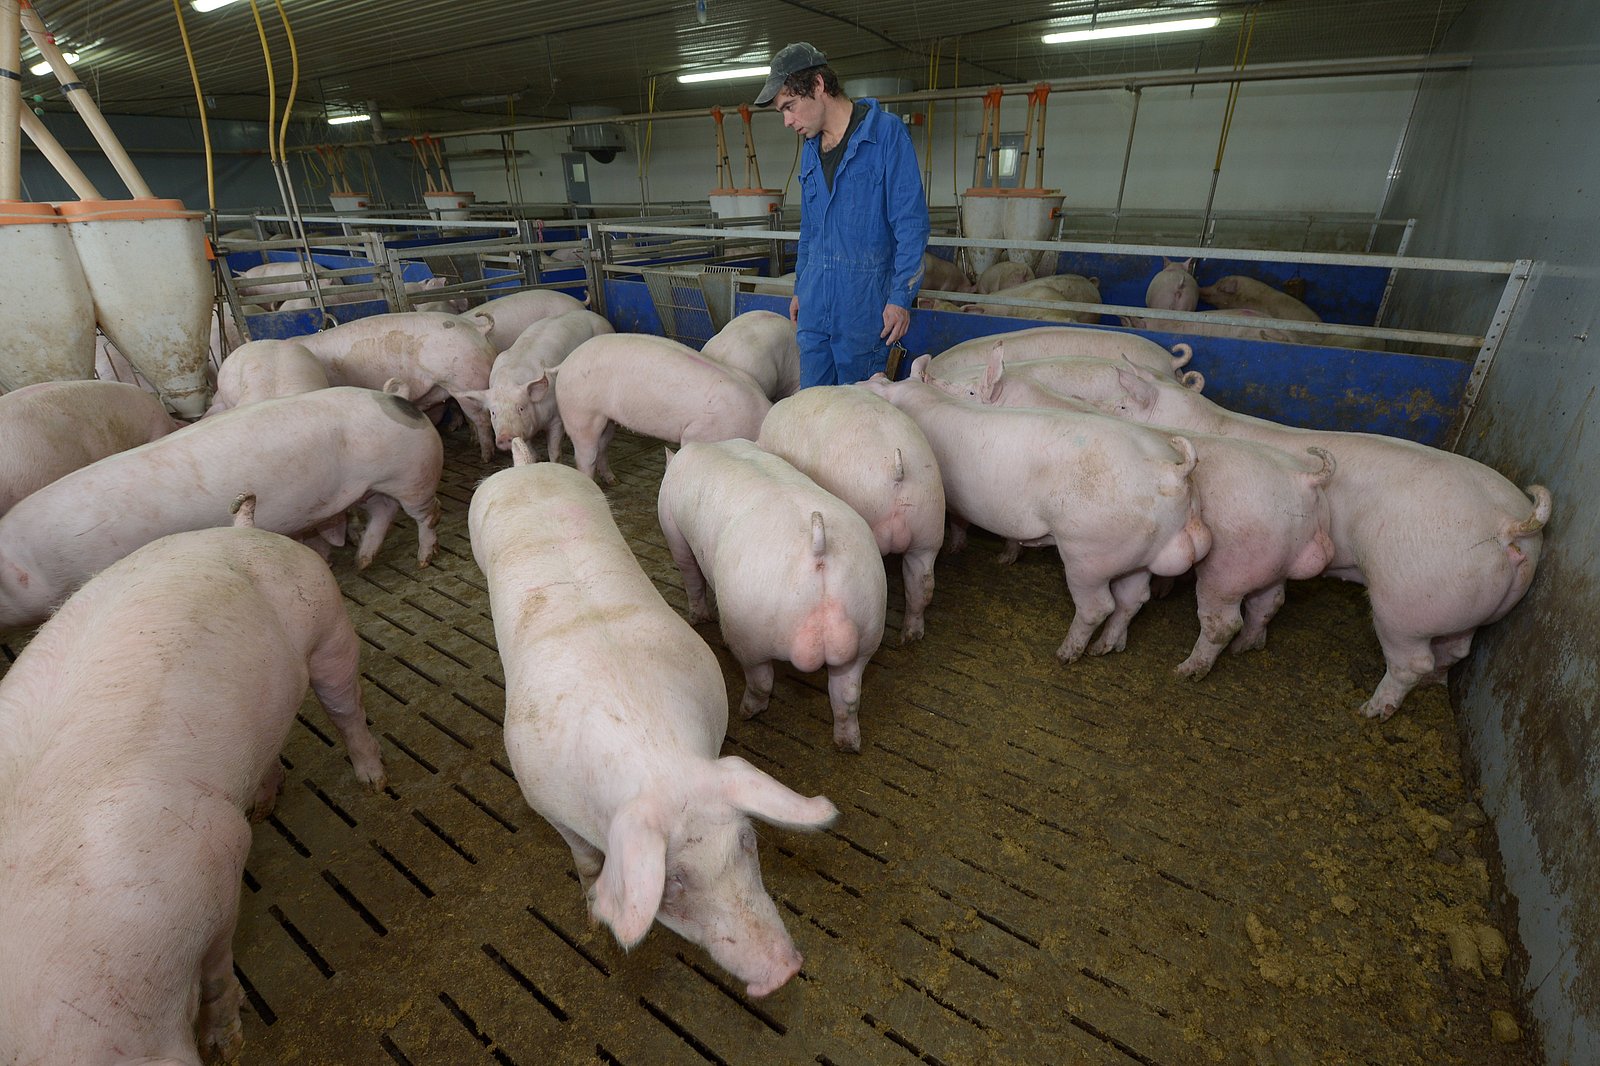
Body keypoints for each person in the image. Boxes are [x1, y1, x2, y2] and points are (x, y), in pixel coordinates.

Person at [756, 43, 930, 387]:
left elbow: (911, 225)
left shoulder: (886, 135)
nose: (788, 121)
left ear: (818, 86)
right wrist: (800, 288)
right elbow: (810, 231)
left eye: (789, 106)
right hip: (815, 308)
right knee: (814, 408)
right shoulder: (809, 151)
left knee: (858, 418)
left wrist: (900, 298)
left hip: (864, 310)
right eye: (782, 112)